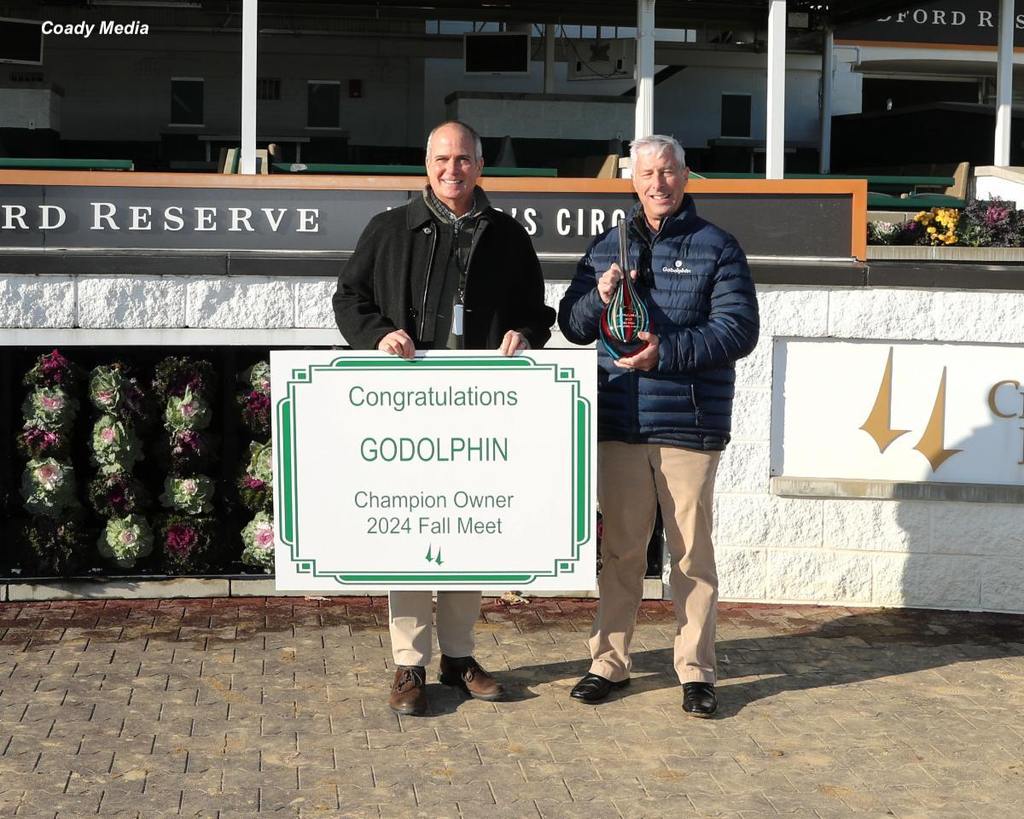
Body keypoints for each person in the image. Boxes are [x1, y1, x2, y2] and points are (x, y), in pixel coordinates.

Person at [332, 121, 556, 716]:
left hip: (479, 413)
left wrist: (525, 334)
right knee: (411, 532)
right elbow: (348, 299)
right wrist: (378, 337)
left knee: (467, 532)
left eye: (463, 159)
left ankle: (458, 658)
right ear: (425, 164)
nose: (451, 169)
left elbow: (539, 312)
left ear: (480, 166)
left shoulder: (508, 236)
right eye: (441, 159)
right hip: (409, 411)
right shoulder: (389, 229)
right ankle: (409, 664)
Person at [557, 134, 759, 717]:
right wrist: (598, 297)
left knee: (691, 554)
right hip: (620, 421)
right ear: (633, 180)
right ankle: (608, 662)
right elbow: (573, 324)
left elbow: (737, 330)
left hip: (689, 426)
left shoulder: (717, 246)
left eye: (668, 171)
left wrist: (663, 353)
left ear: (685, 175)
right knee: (620, 551)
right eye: (647, 174)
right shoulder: (605, 247)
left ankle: (697, 670)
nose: (658, 183)